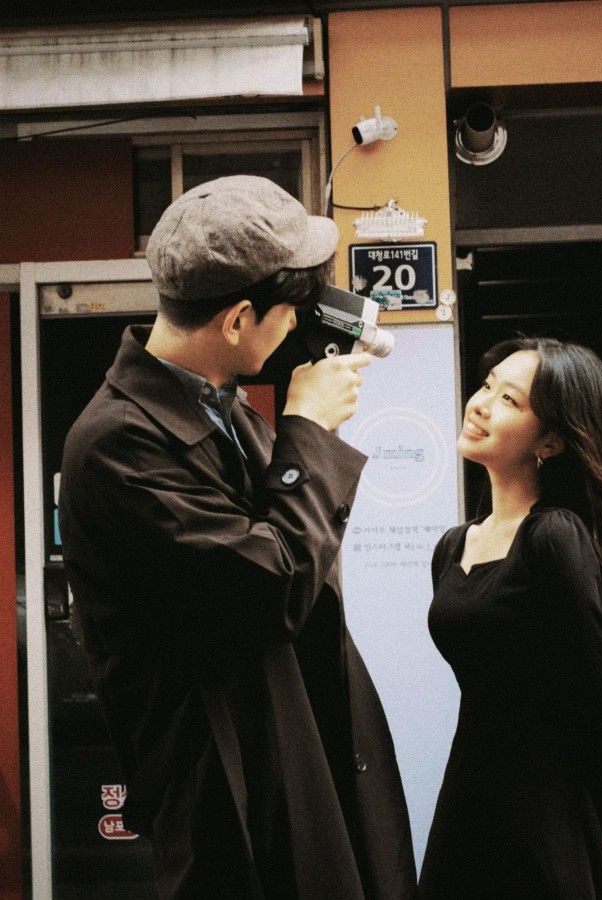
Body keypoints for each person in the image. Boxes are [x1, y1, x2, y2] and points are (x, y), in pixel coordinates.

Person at [59, 175, 417, 899]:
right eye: (286, 314)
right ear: (236, 319)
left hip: (298, 749)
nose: (294, 326)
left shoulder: (224, 408)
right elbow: (273, 584)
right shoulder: (116, 443)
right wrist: (310, 432)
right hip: (231, 789)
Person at [419, 337, 602, 900]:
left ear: (552, 440)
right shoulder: (452, 546)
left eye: (510, 400)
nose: (481, 403)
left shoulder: (553, 536)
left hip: (546, 807)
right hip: (470, 789)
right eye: (487, 386)